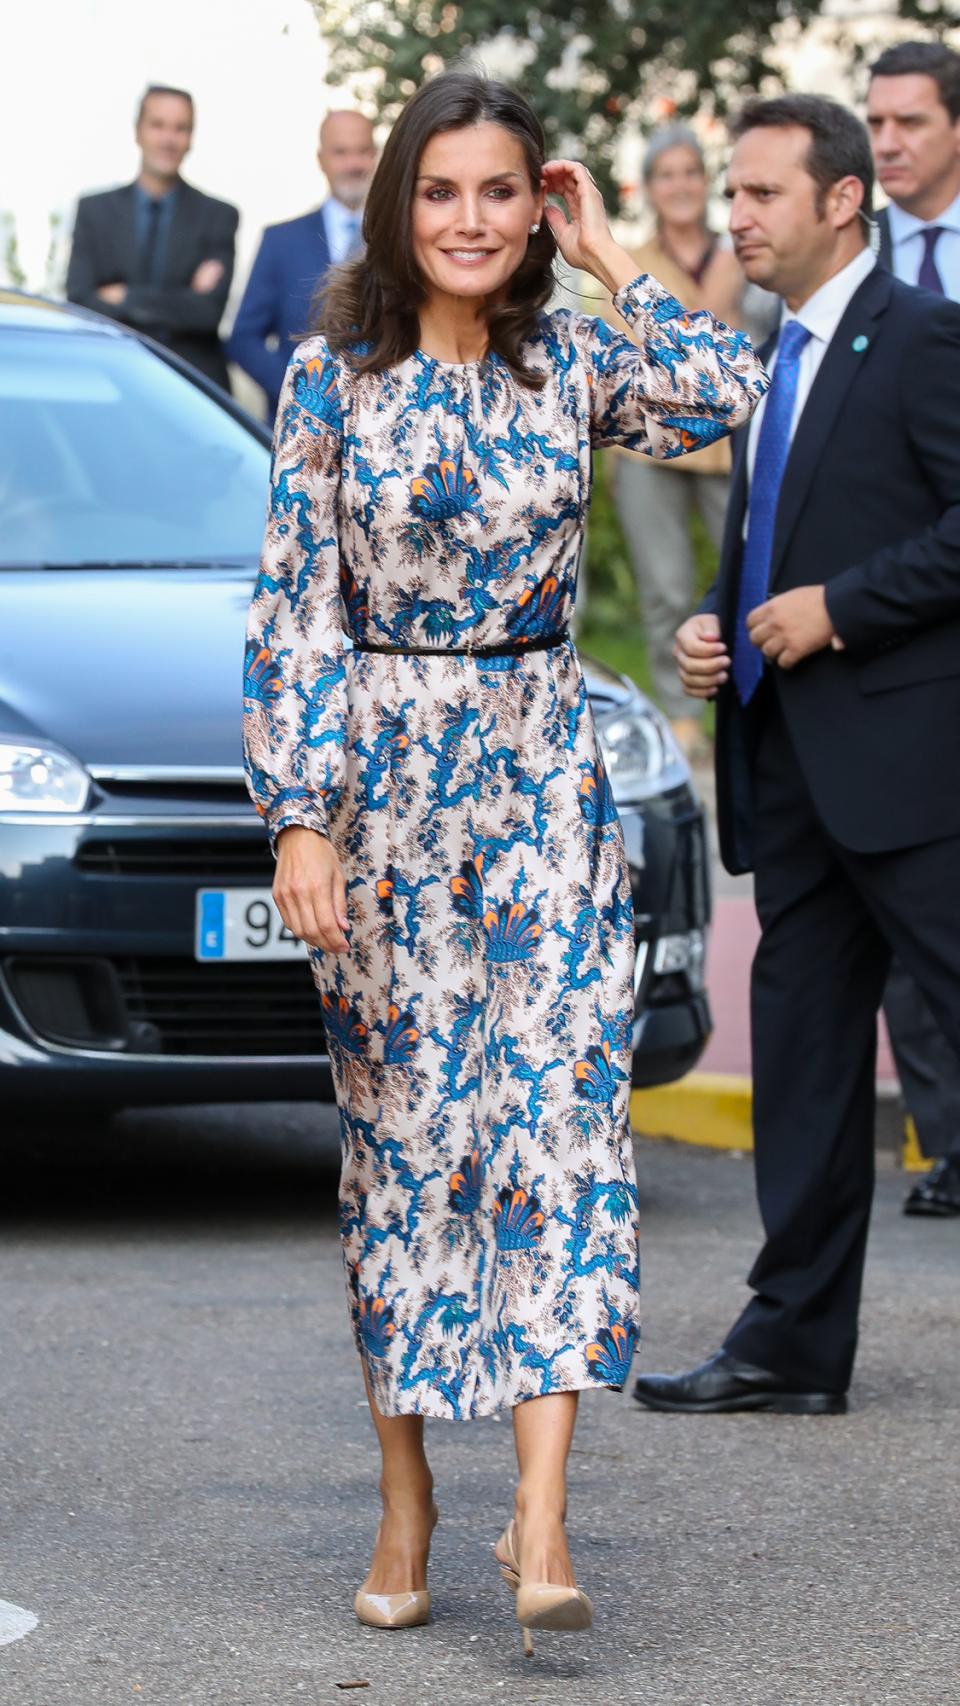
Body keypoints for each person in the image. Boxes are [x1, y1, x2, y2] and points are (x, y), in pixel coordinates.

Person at [242, 71, 765, 1639]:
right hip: (387, 801)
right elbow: (293, 610)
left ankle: (540, 1518)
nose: (471, 221)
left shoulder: (573, 350)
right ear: (401, 203)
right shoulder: (332, 373)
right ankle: (408, 1498)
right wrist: (301, 815)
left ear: (531, 202)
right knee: (405, 1152)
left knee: (559, 1135)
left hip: (542, 790)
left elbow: (730, 396)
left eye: (498, 191)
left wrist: (614, 261)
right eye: (441, 192)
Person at [632, 93, 960, 1418]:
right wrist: (728, 623)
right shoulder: (774, 346)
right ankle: (790, 1345)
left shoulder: (925, 338)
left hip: (919, 769)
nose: (736, 218)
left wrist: (840, 607)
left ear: (841, 202)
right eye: (734, 194)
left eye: (763, 194)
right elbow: (782, 528)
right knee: (811, 1060)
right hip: (798, 767)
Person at [866, 39, 960, 1218]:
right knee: (896, 895)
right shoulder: (865, 268)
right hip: (888, 624)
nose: (888, 141)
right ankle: (946, 1139)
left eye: (910, 122)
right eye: (876, 123)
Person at [610, 126, 747, 755]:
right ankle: (681, 715)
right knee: (665, 582)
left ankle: (748, 701)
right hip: (653, 440)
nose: (681, 184)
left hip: (736, 439)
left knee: (748, 571)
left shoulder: (742, 250)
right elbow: (624, 357)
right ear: (651, 188)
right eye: (666, 174)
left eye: (691, 171)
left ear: (706, 180)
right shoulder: (630, 261)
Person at [66, 85, 237, 389]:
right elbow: (80, 301)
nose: (169, 139)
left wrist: (125, 296)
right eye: (158, 125)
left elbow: (206, 313)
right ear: (138, 132)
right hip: (107, 376)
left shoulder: (218, 216)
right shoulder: (95, 211)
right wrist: (179, 301)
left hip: (192, 386)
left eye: (180, 128)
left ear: (191, 138)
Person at [227, 111, 376, 421]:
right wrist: (298, 390)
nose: (353, 164)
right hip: (296, 426)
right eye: (341, 152)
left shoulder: (399, 240)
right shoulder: (281, 241)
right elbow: (244, 338)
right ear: (321, 159)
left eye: (363, 151)